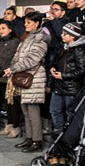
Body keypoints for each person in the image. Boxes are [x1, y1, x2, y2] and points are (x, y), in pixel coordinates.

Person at [3, 12, 50, 153]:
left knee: (33, 111)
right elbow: (17, 56)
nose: (25, 24)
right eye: (25, 22)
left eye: (29, 22)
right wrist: (12, 66)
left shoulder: (40, 39)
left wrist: (13, 68)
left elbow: (32, 60)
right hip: (23, 77)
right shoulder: (26, 37)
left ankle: (37, 141)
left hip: (33, 78)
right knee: (25, 109)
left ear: (37, 23)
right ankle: (29, 138)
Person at [49, 23, 85, 137]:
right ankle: (58, 135)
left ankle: (70, 137)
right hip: (58, 85)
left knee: (71, 113)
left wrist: (64, 75)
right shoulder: (64, 47)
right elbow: (56, 61)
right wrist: (53, 68)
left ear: (72, 36)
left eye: (65, 34)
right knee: (54, 110)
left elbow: (82, 70)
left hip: (71, 88)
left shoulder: (79, 49)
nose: (62, 35)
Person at [0, 22, 22, 138]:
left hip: (10, 76)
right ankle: (9, 124)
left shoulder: (14, 42)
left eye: (3, 28)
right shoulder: (1, 42)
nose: (1, 31)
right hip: (1, 76)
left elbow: (10, 59)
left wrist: (0, 71)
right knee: (6, 103)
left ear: (10, 29)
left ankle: (16, 126)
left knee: (12, 102)